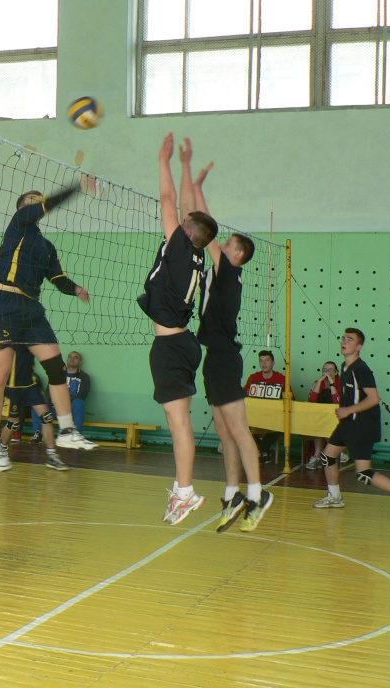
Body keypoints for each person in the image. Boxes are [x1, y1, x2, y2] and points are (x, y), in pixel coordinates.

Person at [0, 183, 97, 473]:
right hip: (5, 303)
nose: (37, 203)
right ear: (23, 208)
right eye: (32, 200)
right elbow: (47, 204)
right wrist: (79, 187)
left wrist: (77, 289)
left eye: (38, 200)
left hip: (32, 309)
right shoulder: (18, 223)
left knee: (57, 368)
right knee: (0, 374)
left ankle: (67, 430)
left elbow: (58, 279)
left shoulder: (46, 247)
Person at [137, 133, 218, 526]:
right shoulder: (197, 253)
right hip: (183, 343)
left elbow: (170, 201)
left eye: (183, 224)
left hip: (171, 347)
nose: (180, 221)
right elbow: (187, 209)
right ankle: (182, 489)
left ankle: (186, 492)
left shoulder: (182, 247)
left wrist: (164, 160)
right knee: (180, 421)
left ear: (186, 234)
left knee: (178, 424)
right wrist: (186, 166)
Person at [193, 160, 273, 532]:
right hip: (213, 358)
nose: (221, 245)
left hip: (224, 358)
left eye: (228, 245)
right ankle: (232, 494)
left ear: (237, 255)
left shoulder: (229, 272)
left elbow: (207, 228)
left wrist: (197, 186)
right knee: (224, 434)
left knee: (239, 431)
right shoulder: (223, 274)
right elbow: (208, 231)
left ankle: (258, 494)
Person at [313, 328, 390, 521]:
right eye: (344, 338)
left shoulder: (361, 369)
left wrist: (348, 410)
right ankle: (335, 497)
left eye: (350, 340)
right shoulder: (345, 367)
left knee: (363, 473)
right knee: (327, 457)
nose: (344, 342)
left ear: (359, 347)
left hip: (361, 426)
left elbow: (373, 399)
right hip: (347, 424)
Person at [244, 350, 287, 462]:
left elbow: (291, 399)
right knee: (243, 424)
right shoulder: (253, 377)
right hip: (255, 417)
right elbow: (244, 396)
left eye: (267, 360)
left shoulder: (281, 378)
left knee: (283, 424)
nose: (264, 363)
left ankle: (261, 450)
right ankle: (264, 451)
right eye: (261, 361)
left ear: (273, 363)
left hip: (274, 418)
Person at [305, 361, 342, 469]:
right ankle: (317, 456)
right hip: (321, 417)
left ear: (336, 372)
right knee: (319, 424)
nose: (327, 372)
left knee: (324, 425)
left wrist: (332, 384)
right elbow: (312, 400)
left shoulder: (341, 384)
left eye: (330, 370)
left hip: (337, 417)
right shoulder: (318, 383)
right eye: (325, 370)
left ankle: (331, 452)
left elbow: (337, 402)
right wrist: (319, 382)